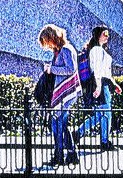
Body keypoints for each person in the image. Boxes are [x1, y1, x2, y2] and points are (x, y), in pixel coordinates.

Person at [74, 26, 122, 151]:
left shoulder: (99, 49)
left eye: (107, 34)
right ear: (98, 35)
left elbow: (106, 70)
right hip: (99, 83)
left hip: (103, 83)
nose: (107, 36)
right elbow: (97, 70)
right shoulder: (96, 49)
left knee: (102, 114)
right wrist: (99, 87)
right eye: (104, 34)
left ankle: (78, 133)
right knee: (106, 113)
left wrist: (114, 84)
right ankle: (104, 141)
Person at [39, 24, 80, 167]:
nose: (47, 46)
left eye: (47, 41)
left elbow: (71, 69)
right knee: (59, 124)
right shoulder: (59, 51)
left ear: (53, 37)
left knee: (57, 124)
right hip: (62, 92)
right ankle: (70, 154)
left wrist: (52, 69)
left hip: (66, 93)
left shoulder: (67, 50)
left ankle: (59, 156)